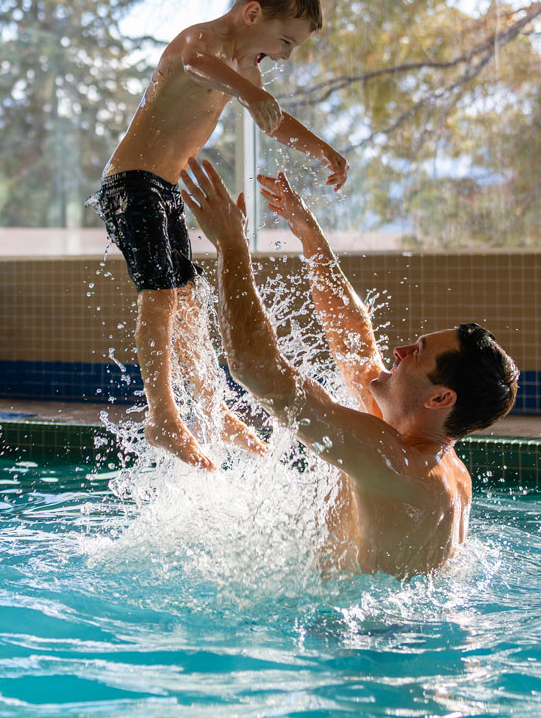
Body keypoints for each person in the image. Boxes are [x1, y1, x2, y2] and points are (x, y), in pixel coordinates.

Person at [179, 157, 519, 577]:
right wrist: (308, 233)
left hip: (358, 636)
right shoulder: (431, 455)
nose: (399, 350)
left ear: (440, 397)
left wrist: (231, 244)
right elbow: (354, 335)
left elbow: (254, 368)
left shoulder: (396, 462)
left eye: (418, 351)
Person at [97, 0, 348, 469]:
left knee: (189, 299)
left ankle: (211, 405)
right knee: (162, 294)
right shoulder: (202, 42)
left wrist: (322, 149)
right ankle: (163, 417)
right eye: (285, 42)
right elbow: (195, 65)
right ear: (252, 13)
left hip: (163, 188)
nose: (282, 56)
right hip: (129, 185)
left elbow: (274, 121)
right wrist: (250, 92)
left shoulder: (245, 70)